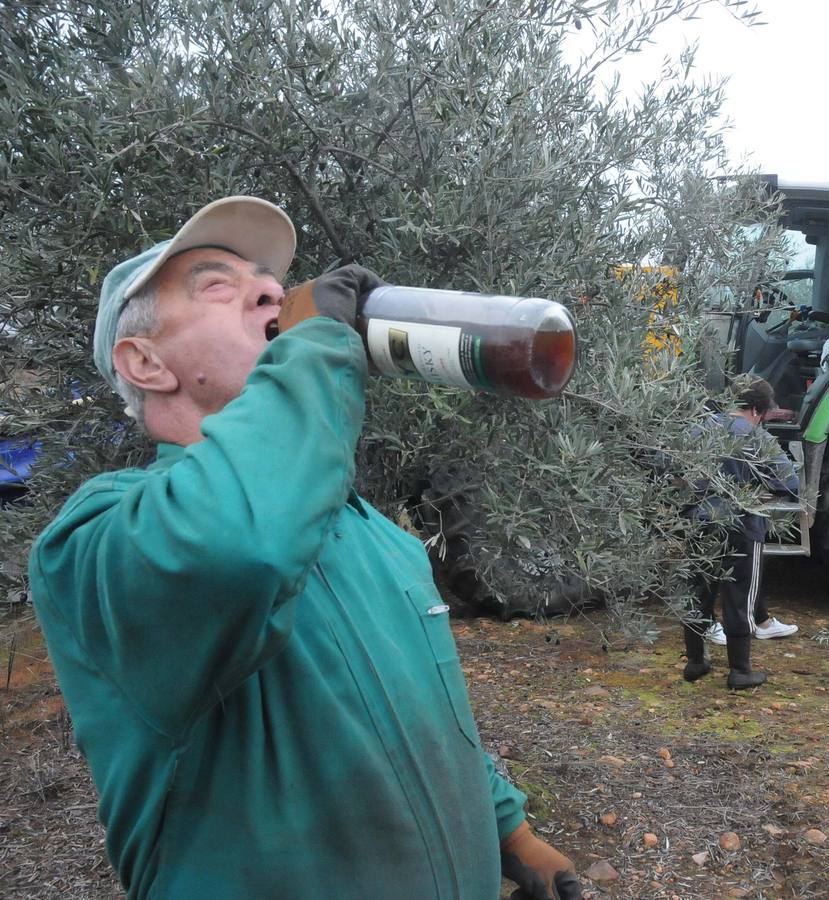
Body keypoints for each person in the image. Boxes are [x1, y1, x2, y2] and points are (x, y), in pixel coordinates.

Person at [28, 197, 582, 900]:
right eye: (216, 285)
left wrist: (509, 832)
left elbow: (428, 713)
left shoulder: (374, 536)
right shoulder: (96, 541)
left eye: (265, 278)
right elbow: (240, 544)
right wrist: (317, 342)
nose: (268, 288)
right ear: (145, 362)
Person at [682, 379, 800, 689]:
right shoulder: (757, 437)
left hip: (699, 521)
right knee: (740, 595)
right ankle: (740, 670)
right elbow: (789, 483)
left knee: (697, 591)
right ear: (757, 410)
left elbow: (670, 470)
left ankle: (695, 662)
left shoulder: (698, 430)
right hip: (742, 526)